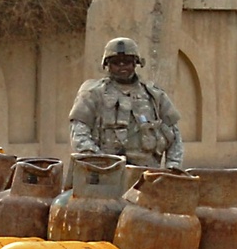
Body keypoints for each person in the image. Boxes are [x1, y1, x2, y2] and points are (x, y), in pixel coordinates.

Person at [69, 36, 184, 170]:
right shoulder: (92, 94)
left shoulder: (154, 96)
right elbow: (79, 134)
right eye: (116, 62)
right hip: (105, 172)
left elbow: (174, 137)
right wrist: (101, 162)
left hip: (146, 173)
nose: (122, 66)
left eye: (127, 62)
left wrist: (173, 167)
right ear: (107, 65)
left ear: (136, 63)